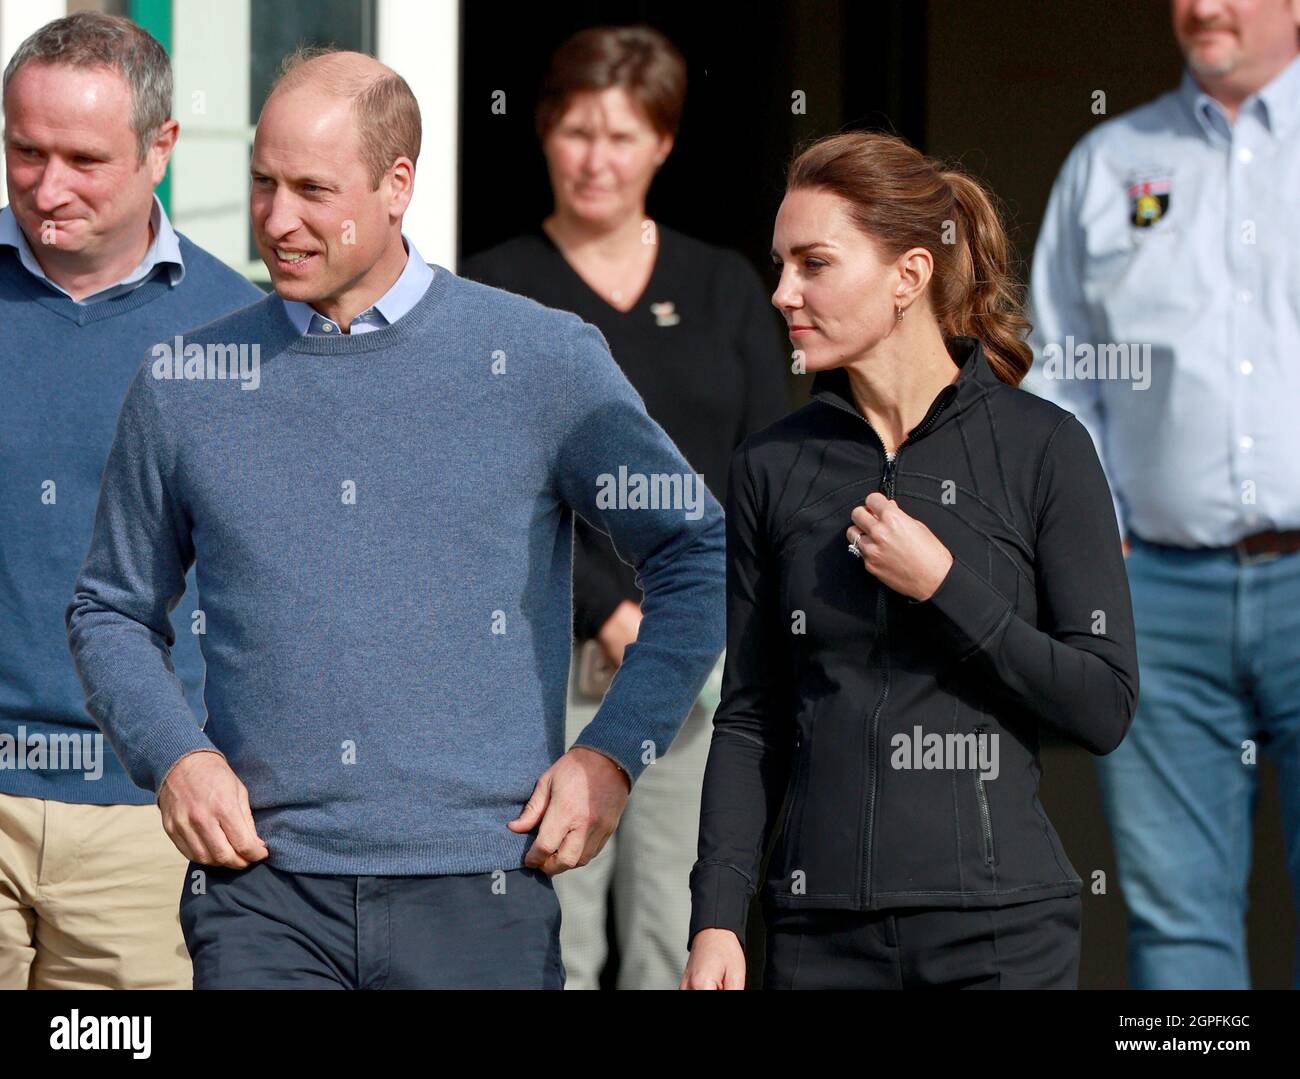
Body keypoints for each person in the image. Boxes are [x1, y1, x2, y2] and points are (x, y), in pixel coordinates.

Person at [65, 45, 725, 990]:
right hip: (263, 895)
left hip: (481, 890)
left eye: (311, 189)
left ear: (396, 184)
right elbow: (110, 609)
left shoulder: (538, 360)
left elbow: (697, 555)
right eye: (261, 182)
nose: (277, 218)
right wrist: (174, 756)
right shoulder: (186, 383)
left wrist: (613, 754)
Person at [681, 131, 1139, 990]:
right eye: (780, 264)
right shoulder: (772, 466)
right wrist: (715, 918)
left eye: (814, 263)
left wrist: (947, 588)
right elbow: (750, 719)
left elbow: (1104, 704)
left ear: (910, 275)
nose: (783, 292)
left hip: (1001, 932)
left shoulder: (1045, 448)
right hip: (817, 935)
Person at [461, 24, 790, 991]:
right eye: (576, 131)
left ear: (664, 144)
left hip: (698, 655)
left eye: (622, 135)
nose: (596, 159)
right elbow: (491, 474)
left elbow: (762, 474)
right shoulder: (495, 288)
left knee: (676, 934)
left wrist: (696, 621)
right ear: (541, 134)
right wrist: (604, 603)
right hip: (545, 655)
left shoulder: (725, 287)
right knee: (556, 928)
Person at [1023, 0, 1300, 988]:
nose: (1202, 7)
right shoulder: (1110, 162)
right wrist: (1085, 532)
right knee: (1176, 922)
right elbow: (1058, 372)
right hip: (1155, 599)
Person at [0, 12, 263, 990]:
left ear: (162, 147)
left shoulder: (242, 333)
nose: (46, 185)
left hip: (141, 817)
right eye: (24, 150)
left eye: (83, 157)